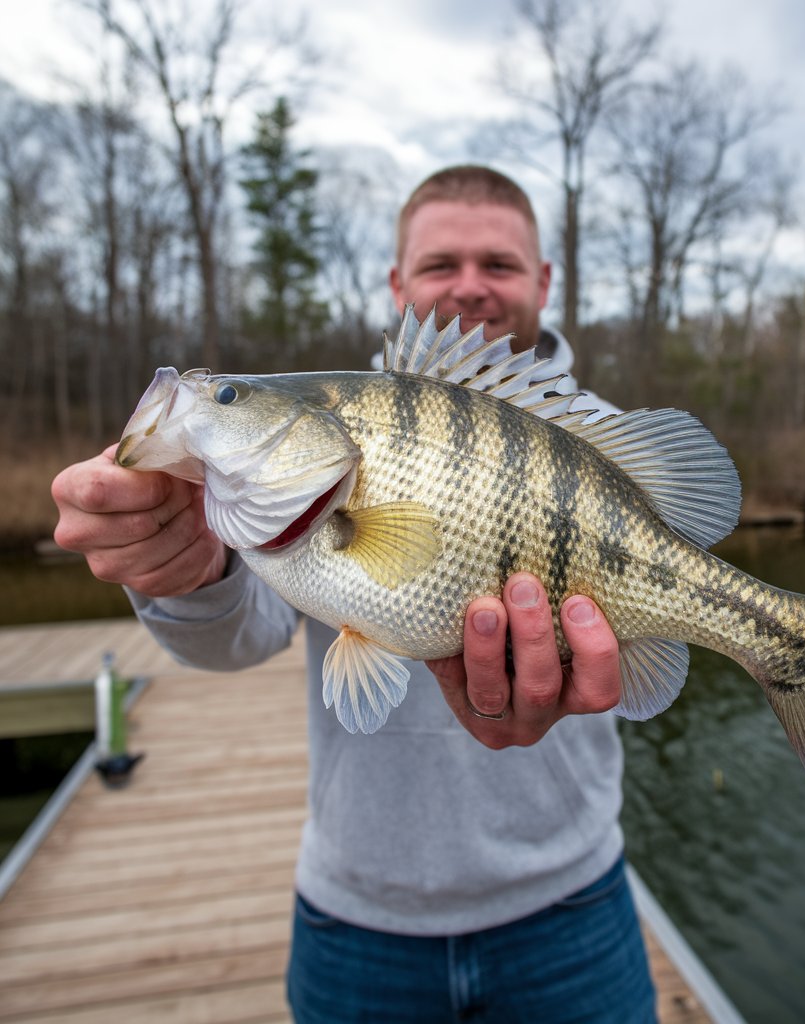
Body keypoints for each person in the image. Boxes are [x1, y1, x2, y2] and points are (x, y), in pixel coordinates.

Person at [52, 165, 657, 1022]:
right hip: (356, 920)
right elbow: (240, 635)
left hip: (573, 906)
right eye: (442, 263)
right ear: (398, 283)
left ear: (544, 283)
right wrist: (183, 567)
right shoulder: (338, 434)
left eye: (500, 264)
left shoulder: (600, 445)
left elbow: (642, 674)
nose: (472, 286)